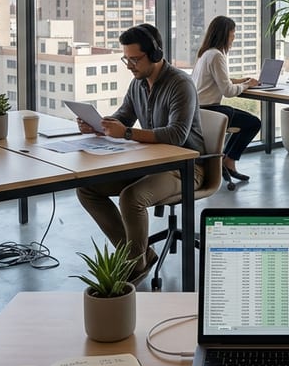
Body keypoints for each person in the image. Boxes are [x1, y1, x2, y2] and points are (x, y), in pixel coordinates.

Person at [74, 23, 205, 283]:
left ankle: (134, 265)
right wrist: (99, 125)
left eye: (135, 59)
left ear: (155, 54)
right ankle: (139, 254)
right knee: (87, 188)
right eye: (127, 59)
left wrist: (126, 133)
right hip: (152, 163)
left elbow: (176, 135)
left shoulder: (181, 84)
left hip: (186, 168)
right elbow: (124, 116)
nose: (130, 65)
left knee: (132, 197)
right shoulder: (138, 84)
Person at [191, 15, 261, 183]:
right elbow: (228, 91)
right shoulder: (217, 56)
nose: (234, 36)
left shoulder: (205, 54)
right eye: (233, 32)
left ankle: (226, 160)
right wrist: (247, 85)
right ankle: (228, 161)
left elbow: (217, 81)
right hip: (211, 111)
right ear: (225, 34)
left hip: (199, 109)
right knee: (254, 123)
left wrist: (240, 80)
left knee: (245, 121)